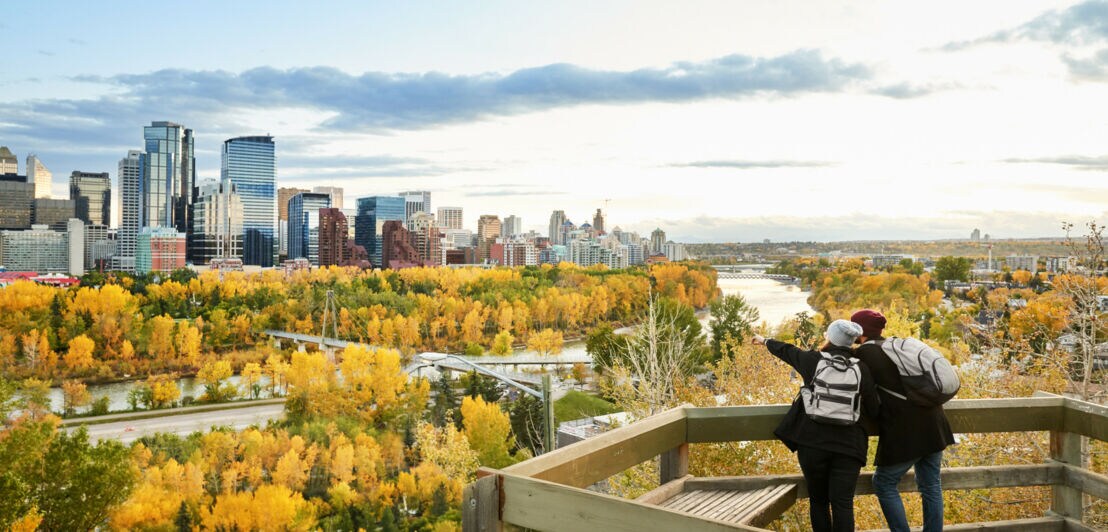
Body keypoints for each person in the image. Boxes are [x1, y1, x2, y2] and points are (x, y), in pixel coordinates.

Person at [752, 320, 879, 532]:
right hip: (849, 446)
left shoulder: (813, 360)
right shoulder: (862, 369)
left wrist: (765, 341)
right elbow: (874, 409)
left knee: (819, 502)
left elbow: (787, 351)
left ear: (830, 338)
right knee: (843, 504)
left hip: (813, 443)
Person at [851, 309, 955, 532]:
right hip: (935, 424)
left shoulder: (865, 355)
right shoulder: (894, 347)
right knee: (930, 485)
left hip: (907, 430)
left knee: (884, 482)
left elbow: (864, 391)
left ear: (860, 333)